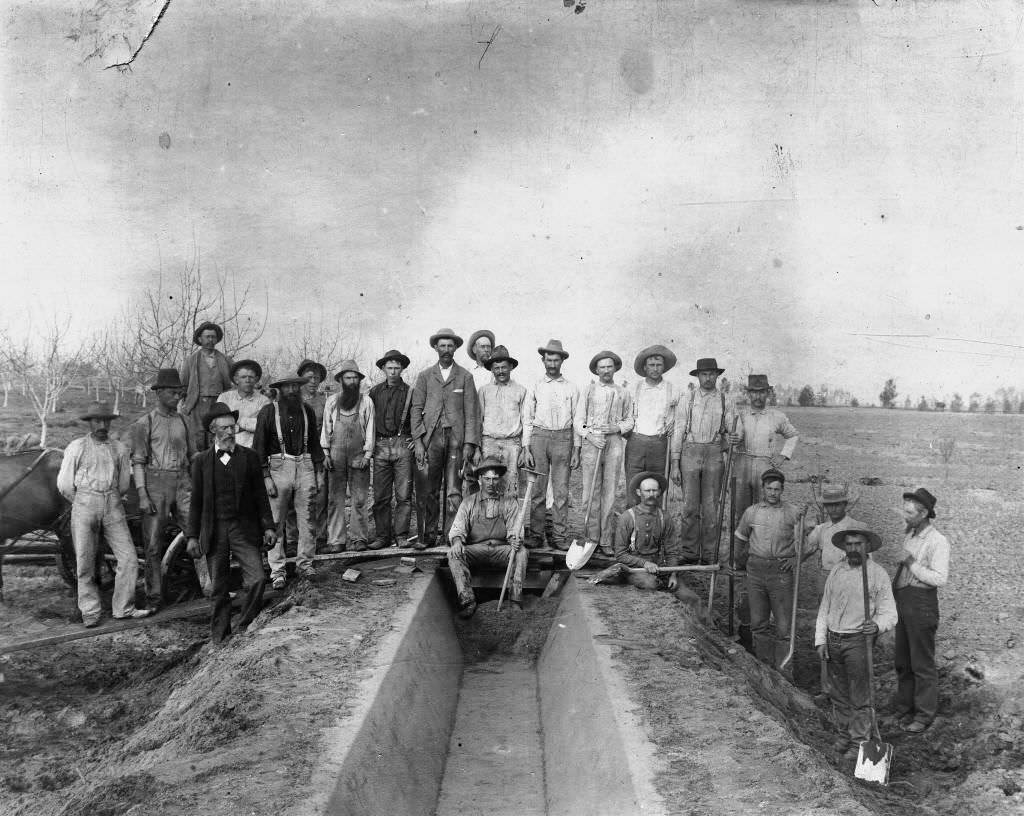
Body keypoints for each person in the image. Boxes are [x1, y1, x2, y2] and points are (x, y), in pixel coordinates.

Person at [185, 402, 277, 644]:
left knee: (257, 578)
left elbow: (260, 496)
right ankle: (220, 637)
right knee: (218, 588)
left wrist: (268, 526)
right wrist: (192, 536)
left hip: (242, 528)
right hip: (215, 530)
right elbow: (195, 502)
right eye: (223, 428)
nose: (229, 432)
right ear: (212, 430)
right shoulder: (202, 461)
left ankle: (244, 628)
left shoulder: (249, 457)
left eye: (232, 427)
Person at [57, 401, 150, 626]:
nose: (102, 425)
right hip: (85, 503)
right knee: (85, 562)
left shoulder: (119, 448)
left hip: (112, 503)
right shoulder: (77, 447)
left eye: (105, 421)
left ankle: (123, 608)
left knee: (128, 558)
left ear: (110, 423)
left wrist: (110, 498)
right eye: (97, 421)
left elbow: (124, 484)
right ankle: (90, 612)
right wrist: (83, 501)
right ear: (90, 423)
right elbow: (64, 484)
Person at [815, 528, 897, 761]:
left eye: (858, 544)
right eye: (849, 544)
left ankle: (859, 743)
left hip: (857, 641)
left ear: (867, 546)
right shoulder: (837, 571)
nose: (853, 548)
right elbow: (825, 607)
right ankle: (844, 735)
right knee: (838, 694)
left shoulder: (877, 574)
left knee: (860, 696)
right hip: (833, 639)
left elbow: (889, 612)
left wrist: (878, 626)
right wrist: (820, 639)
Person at [130, 368, 210, 610]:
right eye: (173, 393)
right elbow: (138, 462)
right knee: (153, 544)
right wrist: (143, 494)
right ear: (160, 393)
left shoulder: (184, 420)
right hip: (155, 484)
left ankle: (209, 586)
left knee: (197, 534)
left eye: (180, 392)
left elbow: (193, 454)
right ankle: (154, 598)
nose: (178, 397)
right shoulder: (145, 423)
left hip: (183, 482)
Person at [410, 328, 480, 549]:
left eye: (450, 346)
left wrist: (469, 443)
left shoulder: (465, 377)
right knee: (429, 489)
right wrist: (419, 442)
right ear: (436, 348)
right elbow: (416, 409)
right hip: (431, 440)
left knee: (453, 489)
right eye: (443, 346)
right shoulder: (425, 376)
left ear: (456, 348)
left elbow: (472, 413)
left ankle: (451, 534)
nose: (446, 350)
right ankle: (428, 535)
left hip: (456, 441)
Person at [253, 374, 326, 587]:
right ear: (280, 390)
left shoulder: (307, 411)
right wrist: (265, 477)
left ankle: (305, 565)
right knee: (276, 521)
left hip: (304, 465)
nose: (292, 390)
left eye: (295, 386)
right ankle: (277, 570)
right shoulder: (268, 411)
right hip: (278, 468)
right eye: (288, 387)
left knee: (307, 518)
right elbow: (258, 447)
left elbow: (314, 444)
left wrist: (319, 474)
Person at [590, 471, 701, 608]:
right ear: (639, 492)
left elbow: (671, 552)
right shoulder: (627, 518)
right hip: (635, 569)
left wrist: (672, 574)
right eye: (647, 491)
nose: (651, 494)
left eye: (654, 490)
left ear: (659, 492)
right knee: (650, 584)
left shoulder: (664, 518)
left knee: (689, 596)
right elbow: (620, 554)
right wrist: (644, 563)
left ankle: (708, 625)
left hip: (660, 567)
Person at [733, 469, 806, 671]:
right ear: (763, 489)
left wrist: (796, 559)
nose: (773, 493)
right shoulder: (752, 511)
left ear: (782, 490)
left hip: (781, 572)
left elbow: (805, 543)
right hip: (755, 571)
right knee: (758, 623)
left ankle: (784, 671)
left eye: (777, 489)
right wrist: (738, 561)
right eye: (769, 489)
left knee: (784, 627)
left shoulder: (794, 513)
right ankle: (764, 668)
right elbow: (740, 537)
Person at [891, 487, 950, 734]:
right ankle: (904, 709)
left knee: (921, 663)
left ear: (924, 512)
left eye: (909, 512)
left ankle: (924, 715)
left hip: (922, 605)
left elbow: (940, 578)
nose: (904, 516)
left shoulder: (938, 541)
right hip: (904, 602)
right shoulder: (912, 535)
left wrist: (911, 562)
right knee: (903, 661)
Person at [671, 358, 735, 564]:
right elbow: (679, 430)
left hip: (714, 453)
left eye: (712, 374)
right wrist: (675, 463)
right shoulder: (687, 398)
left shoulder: (726, 400)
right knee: (689, 506)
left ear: (718, 375)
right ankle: (689, 552)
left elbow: (734, 428)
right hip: (690, 452)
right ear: (697, 376)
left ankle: (709, 554)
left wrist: (734, 435)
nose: (708, 378)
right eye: (704, 374)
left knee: (710, 507)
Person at [446, 457, 527, 619]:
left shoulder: (509, 503)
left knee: (521, 552)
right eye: (487, 479)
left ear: (499, 480)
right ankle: (468, 600)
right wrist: (456, 542)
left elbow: (515, 529)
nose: (491, 483)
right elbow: (458, 528)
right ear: (480, 480)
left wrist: (515, 539)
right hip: (477, 550)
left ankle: (515, 601)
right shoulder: (469, 502)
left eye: (495, 479)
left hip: (501, 550)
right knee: (453, 554)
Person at [522, 339, 581, 550]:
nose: (552, 364)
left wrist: (576, 449)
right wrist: (526, 447)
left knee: (561, 491)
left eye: (556, 360)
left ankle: (559, 536)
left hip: (563, 438)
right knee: (537, 490)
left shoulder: (572, 388)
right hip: (539, 437)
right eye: (549, 360)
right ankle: (536, 535)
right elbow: (527, 418)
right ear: (543, 360)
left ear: (562, 361)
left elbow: (577, 420)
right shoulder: (536, 385)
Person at [575, 351, 633, 556]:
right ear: (596, 370)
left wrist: (616, 428)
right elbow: (578, 420)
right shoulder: (588, 391)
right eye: (603, 367)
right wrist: (589, 435)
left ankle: (606, 540)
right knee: (590, 493)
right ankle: (590, 537)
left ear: (615, 368)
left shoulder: (623, 392)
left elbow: (629, 420)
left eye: (610, 367)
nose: (606, 370)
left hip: (614, 443)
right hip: (593, 443)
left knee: (609, 493)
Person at [322, 360, 376, 552]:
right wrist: (326, 453)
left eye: (355, 377)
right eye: (348, 377)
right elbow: (326, 430)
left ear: (359, 380)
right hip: (335, 455)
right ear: (341, 380)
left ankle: (359, 539)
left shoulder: (366, 401)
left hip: (358, 455)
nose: (352, 381)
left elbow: (370, 430)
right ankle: (336, 541)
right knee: (334, 499)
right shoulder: (332, 401)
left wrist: (367, 455)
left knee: (359, 499)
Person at [728, 374, 798, 518]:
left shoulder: (777, 416)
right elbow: (727, 436)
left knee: (764, 509)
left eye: (762, 392)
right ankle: (742, 540)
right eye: (754, 392)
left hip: (765, 465)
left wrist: (783, 455)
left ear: (768, 393)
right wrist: (730, 438)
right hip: (742, 465)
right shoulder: (739, 415)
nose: (758, 396)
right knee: (741, 510)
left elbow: (793, 435)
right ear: (748, 394)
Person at [368, 349, 415, 549]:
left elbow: (419, 417)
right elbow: (367, 419)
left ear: (402, 368)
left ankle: (401, 536)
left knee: (404, 495)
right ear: (383, 369)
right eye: (390, 368)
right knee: (381, 496)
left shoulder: (411, 391)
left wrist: (415, 438)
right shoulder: (374, 392)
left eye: (397, 368)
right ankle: (382, 537)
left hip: (402, 444)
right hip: (380, 446)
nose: (393, 371)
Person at [626, 344, 679, 506]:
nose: (655, 369)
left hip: (660, 445)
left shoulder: (672, 390)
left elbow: (679, 418)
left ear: (664, 367)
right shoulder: (634, 388)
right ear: (644, 367)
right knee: (633, 487)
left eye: (659, 365)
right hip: (636, 443)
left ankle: (656, 528)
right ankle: (633, 527)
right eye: (651, 365)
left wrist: (674, 423)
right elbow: (626, 417)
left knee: (657, 489)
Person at [477, 345, 527, 498]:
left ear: (511, 367)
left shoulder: (521, 390)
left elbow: (526, 421)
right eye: (496, 368)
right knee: (489, 485)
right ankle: (489, 521)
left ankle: (510, 521)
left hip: (512, 444)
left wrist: (524, 448)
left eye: (504, 367)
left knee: (510, 486)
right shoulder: (484, 391)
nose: (500, 371)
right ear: (491, 369)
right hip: (489, 443)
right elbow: (479, 420)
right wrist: (478, 448)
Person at [179, 321, 234, 450]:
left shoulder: (225, 359)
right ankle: (199, 463)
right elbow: (183, 384)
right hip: (198, 403)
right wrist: (183, 402)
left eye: (213, 337)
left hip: (219, 402)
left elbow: (237, 374)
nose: (210, 340)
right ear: (200, 339)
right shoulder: (191, 360)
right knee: (198, 435)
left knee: (219, 433)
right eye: (207, 336)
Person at [804, 484, 865, 599]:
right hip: (825, 576)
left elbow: (868, 559)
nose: (833, 509)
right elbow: (806, 549)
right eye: (829, 505)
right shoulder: (821, 529)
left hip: (849, 576)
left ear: (845, 505)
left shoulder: (856, 527)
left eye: (837, 505)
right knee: (824, 612)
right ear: (825, 507)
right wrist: (801, 528)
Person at [297, 359, 329, 549]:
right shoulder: (293, 400)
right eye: (309, 377)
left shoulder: (324, 401)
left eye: (316, 378)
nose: (313, 381)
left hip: (318, 454)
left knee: (320, 496)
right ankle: (299, 540)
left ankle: (321, 537)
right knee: (299, 499)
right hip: (296, 455)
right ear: (301, 379)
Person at [216, 359, 269, 449]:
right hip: (227, 448)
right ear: (236, 380)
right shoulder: (224, 398)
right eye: (243, 377)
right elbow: (220, 424)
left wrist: (239, 423)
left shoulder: (264, 401)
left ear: (256, 380)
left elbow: (264, 425)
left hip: (253, 449)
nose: (247, 380)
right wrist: (250, 423)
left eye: (251, 377)